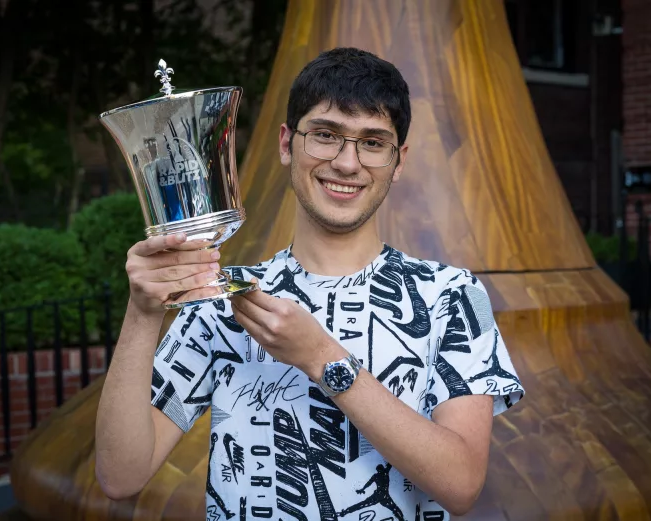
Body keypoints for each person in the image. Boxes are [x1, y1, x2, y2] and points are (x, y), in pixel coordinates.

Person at [95, 47, 524, 520]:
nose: (346, 163)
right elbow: (120, 476)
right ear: (286, 144)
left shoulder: (450, 295)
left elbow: (461, 486)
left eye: (373, 142)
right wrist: (142, 311)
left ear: (398, 161)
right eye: (325, 135)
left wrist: (322, 358)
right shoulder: (222, 300)